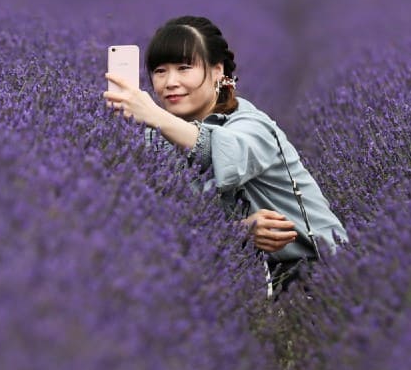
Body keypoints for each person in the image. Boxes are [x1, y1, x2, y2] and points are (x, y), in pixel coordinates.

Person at [102, 15, 347, 295]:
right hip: (245, 276)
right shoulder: (156, 138)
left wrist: (154, 115)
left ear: (217, 71)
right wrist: (238, 231)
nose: (170, 82)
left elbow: (221, 153)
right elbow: (166, 222)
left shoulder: (252, 126)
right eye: (160, 71)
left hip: (318, 271)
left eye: (184, 68)